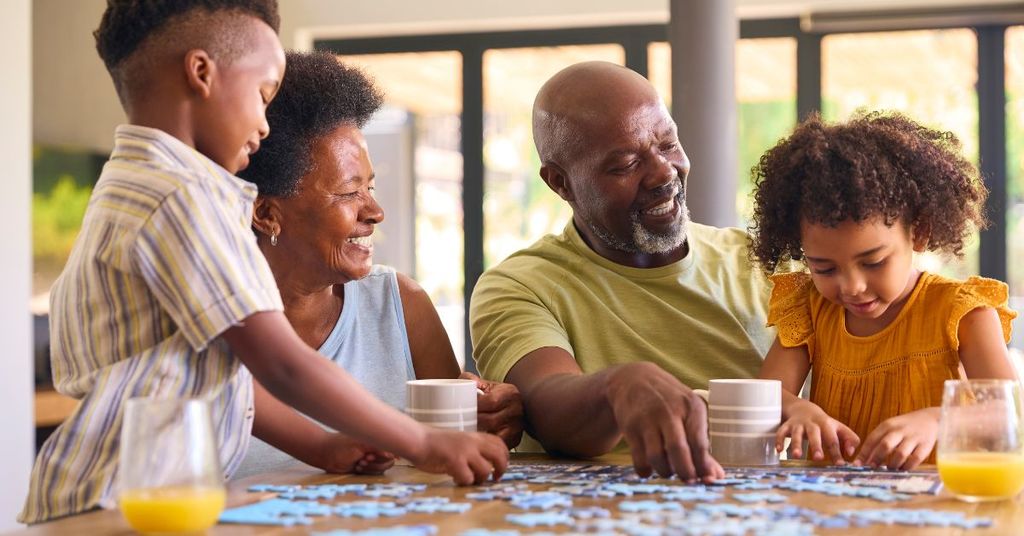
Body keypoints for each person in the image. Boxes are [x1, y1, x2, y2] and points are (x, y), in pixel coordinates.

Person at [22, 1, 505, 524]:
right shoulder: (181, 198)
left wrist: (320, 447)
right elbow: (280, 364)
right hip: (118, 505)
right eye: (263, 94)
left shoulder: (133, 188)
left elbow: (230, 379)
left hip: (135, 495)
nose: (263, 124)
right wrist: (425, 442)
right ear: (201, 73)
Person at [470, 61, 777, 482]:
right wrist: (618, 387)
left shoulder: (764, 262)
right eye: (626, 164)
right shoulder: (521, 285)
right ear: (561, 183)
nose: (663, 172)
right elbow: (545, 405)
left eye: (668, 144)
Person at [232, 51, 524, 478]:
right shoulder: (211, 317)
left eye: (370, 186)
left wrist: (493, 411)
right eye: (349, 193)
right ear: (266, 214)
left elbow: (455, 433)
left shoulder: (400, 304)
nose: (375, 211)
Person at [750, 112, 1018, 470]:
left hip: (936, 509)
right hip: (830, 508)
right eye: (824, 268)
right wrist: (797, 408)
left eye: (873, 262)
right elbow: (764, 396)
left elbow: (1009, 408)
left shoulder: (963, 312)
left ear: (918, 232)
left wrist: (938, 420)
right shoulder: (808, 309)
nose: (852, 287)